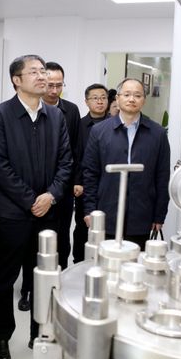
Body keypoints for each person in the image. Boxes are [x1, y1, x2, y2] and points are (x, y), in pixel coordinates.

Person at [0, 55, 72, 359]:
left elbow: (66, 162)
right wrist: (30, 200)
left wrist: (50, 196)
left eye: (43, 71)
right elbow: (0, 165)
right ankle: (0, 337)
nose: (42, 76)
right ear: (17, 80)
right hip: (13, 215)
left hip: (48, 214)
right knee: (4, 278)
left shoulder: (56, 116)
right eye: (34, 72)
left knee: (43, 278)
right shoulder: (0, 115)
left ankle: (40, 333)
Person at [16, 62, 79, 312]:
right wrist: (37, 196)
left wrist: (58, 190)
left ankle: (57, 288)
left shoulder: (70, 111)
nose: (53, 90)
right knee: (30, 246)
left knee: (60, 243)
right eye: (49, 84)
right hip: (33, 195)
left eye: (58, 85)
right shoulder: (25, 112)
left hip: (60, 192)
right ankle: (28, 289)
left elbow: (73, 152)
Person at [82, 78, 170, 249]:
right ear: (117, 98)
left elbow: (162, 176)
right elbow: (90, 174)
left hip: (141, 215)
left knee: (136, 263)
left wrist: (159, 215)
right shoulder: (99, 131)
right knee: (107, 262)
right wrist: (90, 210)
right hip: (106, 213)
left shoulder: (157, 134)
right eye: (127, 94)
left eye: (137, 95)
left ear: (144, 100)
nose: (132, 99)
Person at [72, 84, 110, 262]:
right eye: (95, 98)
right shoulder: (79, 126)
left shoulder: (115, 124)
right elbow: (75, 155)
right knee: (82, 227)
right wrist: (77, 181)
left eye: (103, 97)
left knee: (107, 227)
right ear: (86, 102)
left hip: (109, 185)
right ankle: (79, 262)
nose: (100, 101)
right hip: (85, 186)